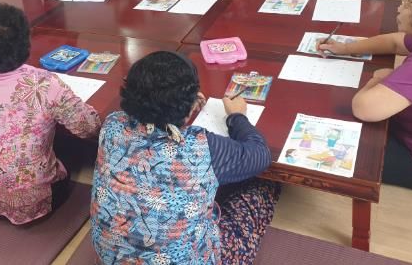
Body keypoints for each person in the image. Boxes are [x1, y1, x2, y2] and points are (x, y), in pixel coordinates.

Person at [91, 51, 280, 264]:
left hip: (111, 258)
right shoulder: (202, 146)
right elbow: (260, 154)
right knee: (262, 188)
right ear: (188, 104)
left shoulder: (112, 124)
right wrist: (237, 116)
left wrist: (184, 107)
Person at [0, 3, 101, 224]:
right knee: (72, 149)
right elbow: (89, 127)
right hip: (31, 203)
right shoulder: (44, 83)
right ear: (26, 43)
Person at [318, 0, 412, 191]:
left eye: (408, 3)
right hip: (407, 126)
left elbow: (364, 108)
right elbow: (395, 42)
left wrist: (379, 78)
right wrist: (345, 48)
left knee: (332, 148)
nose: (399, 7)